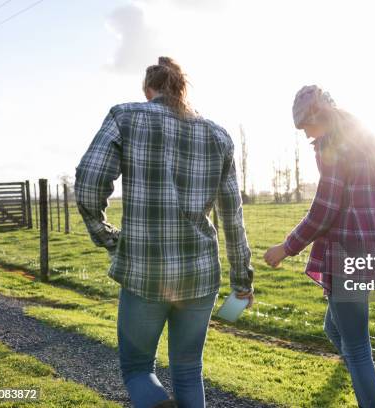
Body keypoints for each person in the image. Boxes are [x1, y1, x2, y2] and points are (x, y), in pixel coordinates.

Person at [74, 57, 254, 408]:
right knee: (189, 370)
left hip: (145, 272)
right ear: (182, 91)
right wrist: (242, 282)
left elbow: (89, 182)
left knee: (139, 369)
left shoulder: (125, 117)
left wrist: (108, 236)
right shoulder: (218, 136)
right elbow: (232, 217)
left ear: (148, 91)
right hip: (200, 276)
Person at [264, 85, 375, 408]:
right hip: (369, 249)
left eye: (305, 126)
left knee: (357, 348)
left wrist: (287, 246)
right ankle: (361, 377)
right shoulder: (365, 141)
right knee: (333, 327)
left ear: (318, 116)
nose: (306, 134)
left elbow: (324, 210)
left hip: (348, 251)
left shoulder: (332, 145)